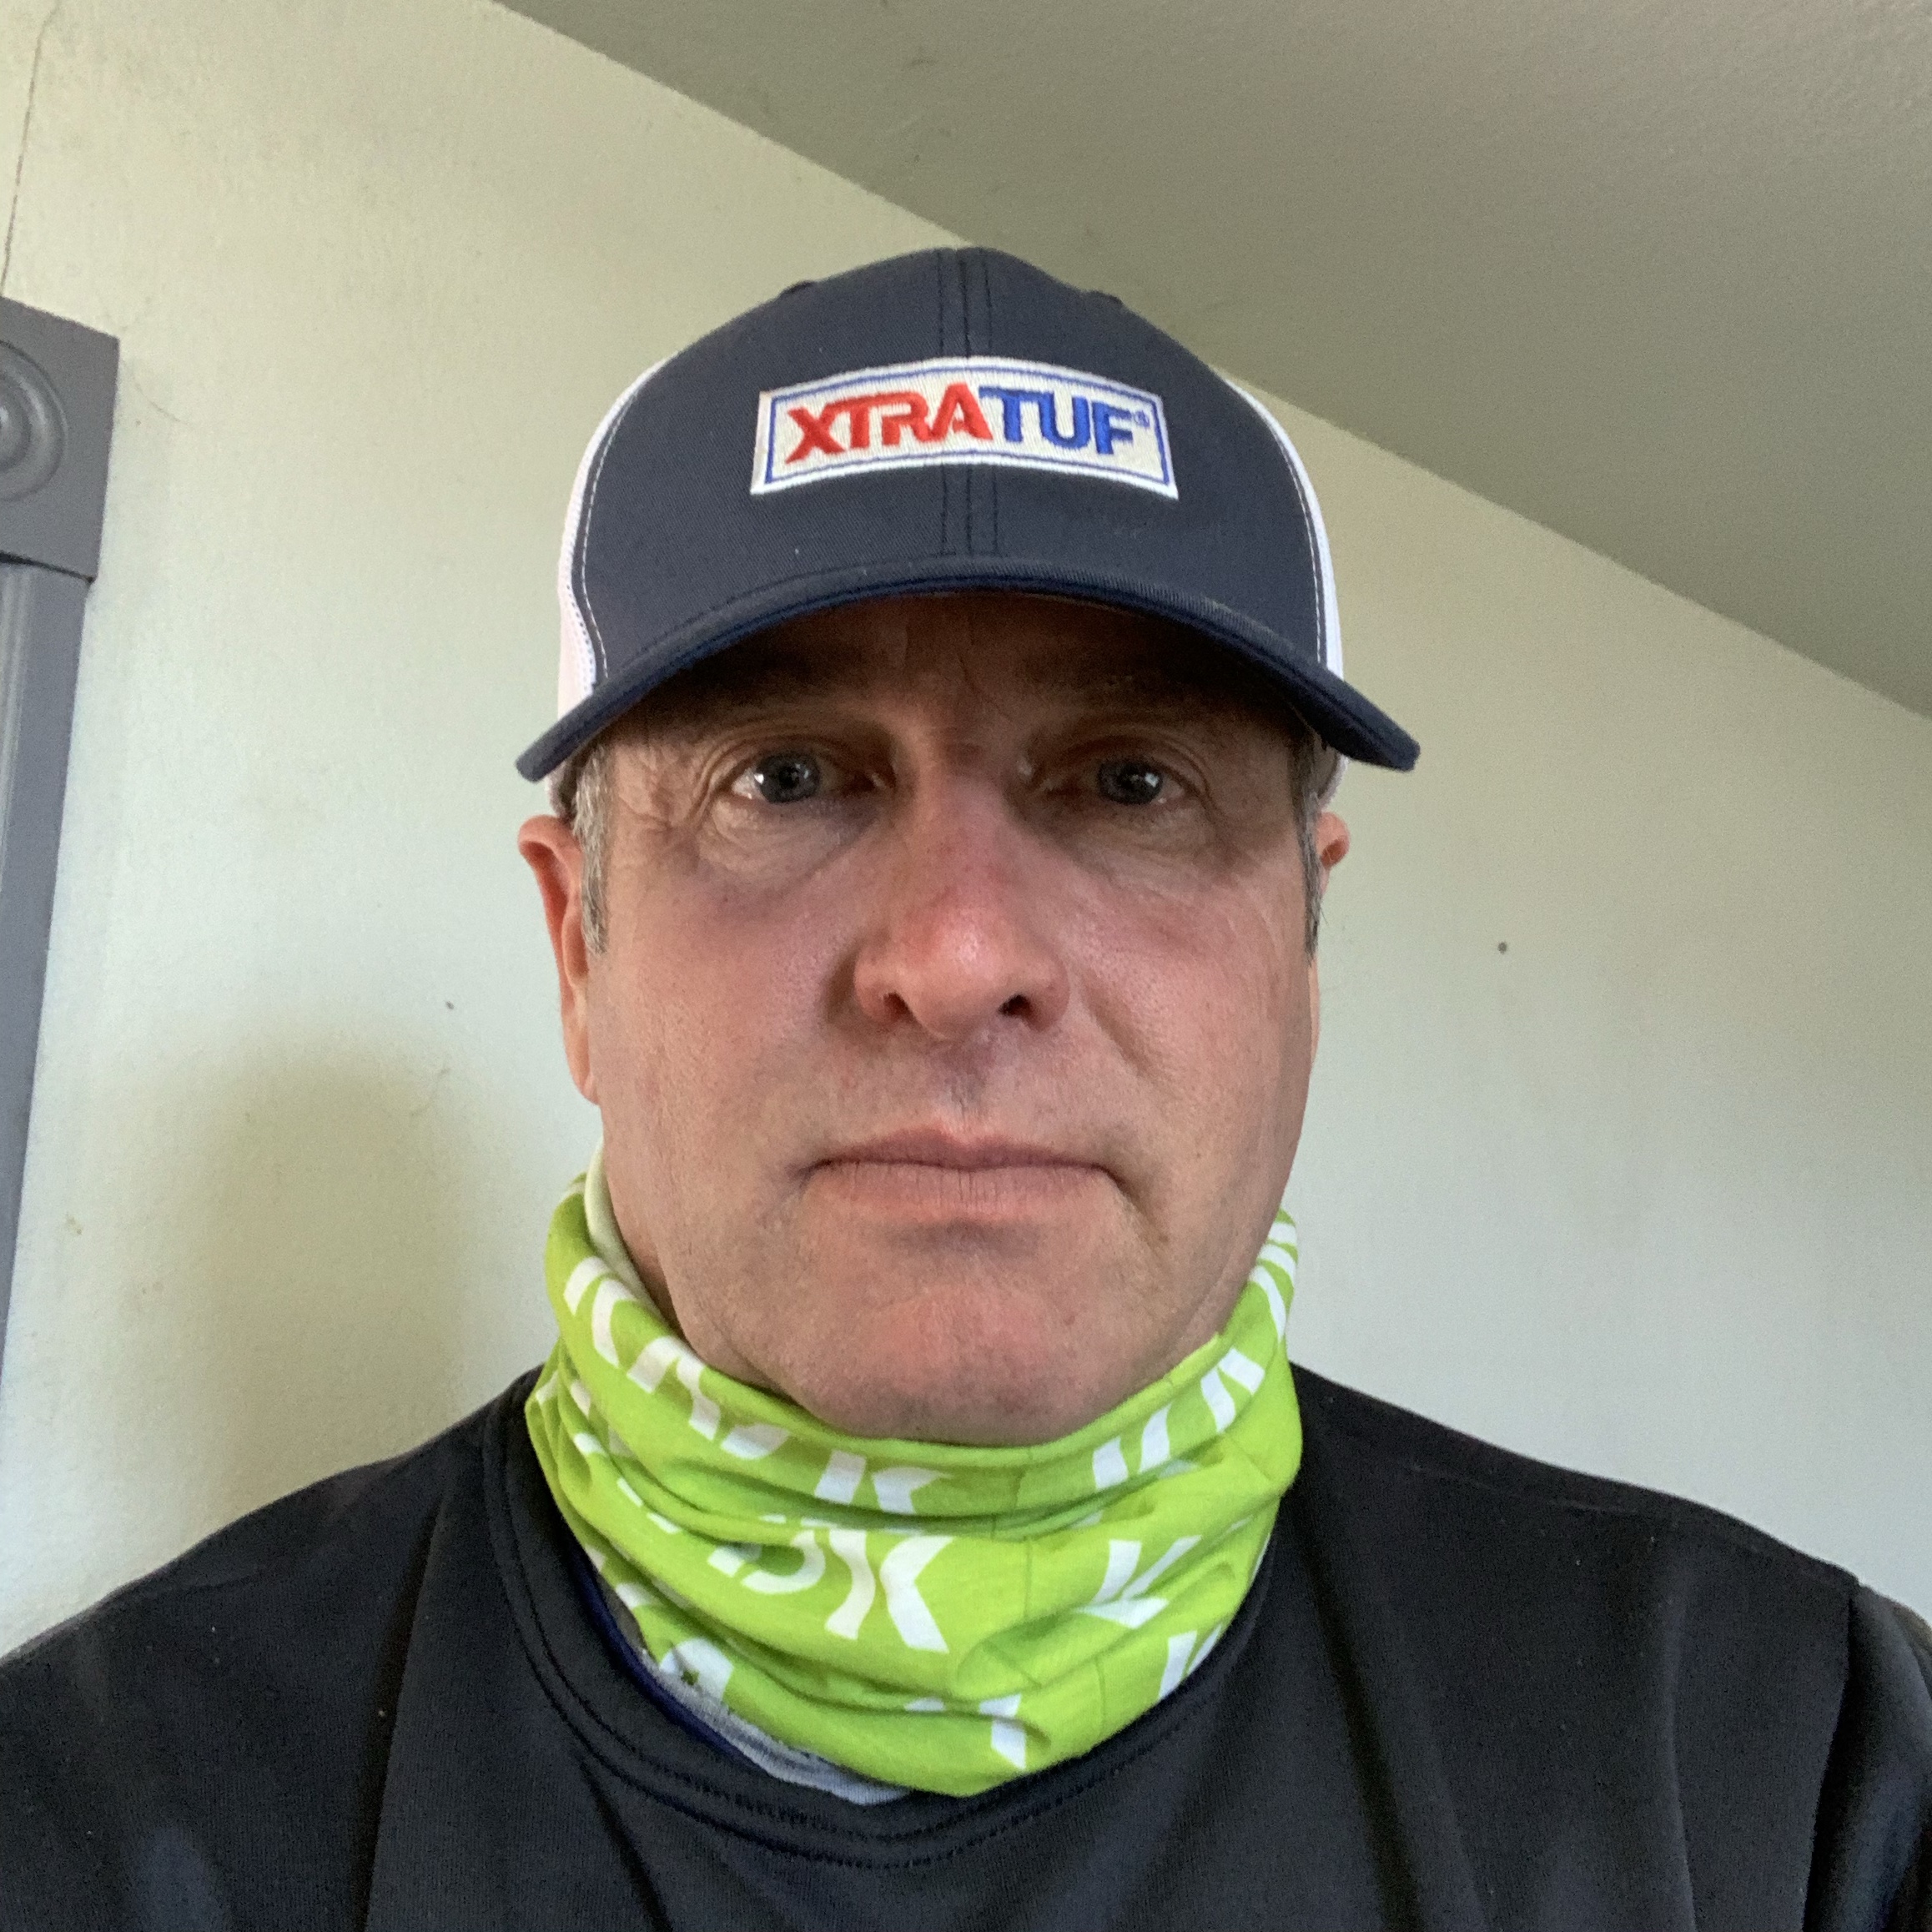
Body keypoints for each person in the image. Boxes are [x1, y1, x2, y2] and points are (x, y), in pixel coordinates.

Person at [1, 247, 1926, 1932]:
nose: (955, 952)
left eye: (1132, 783)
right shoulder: (85, 1814)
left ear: (1304, 964)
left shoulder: (1793, 1776)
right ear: (579, 949)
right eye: (784, 778)